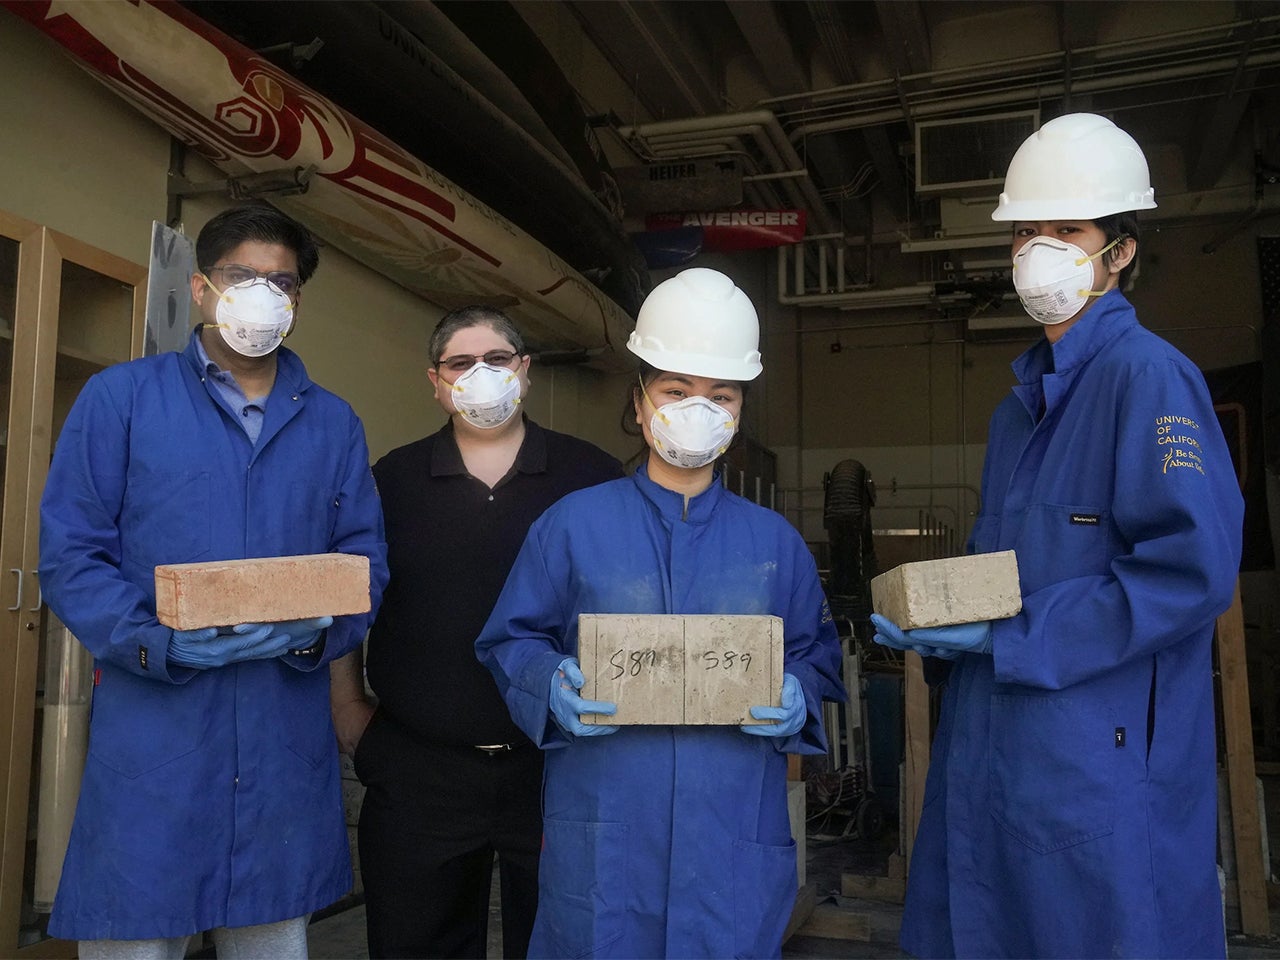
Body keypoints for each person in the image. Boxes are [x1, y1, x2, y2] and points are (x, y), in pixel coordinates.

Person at [870, 113, 1244, 958]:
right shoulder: (1020, 408)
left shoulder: (1149, 379)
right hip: (997, 752)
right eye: (1027, 231)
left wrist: (1005, 633)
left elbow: (1190, 574)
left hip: (1095, 766)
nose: (1039, 250)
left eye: (1066, 230)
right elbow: (1008, 573)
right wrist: (940, 625)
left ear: (1121, 251)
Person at [38, 200, 390, 959]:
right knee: (138, 934)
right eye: (243, 276)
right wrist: (152, 642)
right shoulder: (123, 400)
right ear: (201, 288)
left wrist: (323, 630)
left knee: (269, 933)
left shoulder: (332, 424)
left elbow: (365, 562)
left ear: (298, 302)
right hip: (157, 735)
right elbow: (71, 554)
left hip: (278, 741)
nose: (263, 295)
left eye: (282, 282)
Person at [474, 267, 846, 959]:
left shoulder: (776, 544)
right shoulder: (571, 527)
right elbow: (510, 639)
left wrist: (801, 694)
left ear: (737, 413)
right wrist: (550, 682)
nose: (696, 409)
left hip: (728, 838)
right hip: (608, 835)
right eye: (676, 391)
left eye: (720, 395)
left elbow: (817, 656)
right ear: (640, 404)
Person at [330, 304, 623, 959]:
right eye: (461, 363)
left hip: (558, 766)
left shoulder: (593, 478)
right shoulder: (389, 482)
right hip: (418, 770)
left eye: (497, 360)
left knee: (564, 944)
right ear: (434, 382)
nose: (480, 374)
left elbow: (632, 605)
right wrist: (347, 705)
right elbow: (347, 599)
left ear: (525, 372)